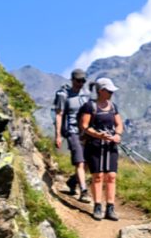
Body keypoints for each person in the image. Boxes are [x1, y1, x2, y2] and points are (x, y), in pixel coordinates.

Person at [79, 77, 124, 221]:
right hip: (95, 145)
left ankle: (110, 208)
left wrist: (117, 135)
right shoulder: (89, 106)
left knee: (111, 176)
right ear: (101, 91)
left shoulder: (113, 107)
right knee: (97, 176)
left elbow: (119, 124)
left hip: (110, 146)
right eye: (109, 90)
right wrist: (98, 135)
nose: (111, 93)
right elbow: (84, 126)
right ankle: (97, 206)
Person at [53, 69, 92, 202]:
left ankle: (72, 181)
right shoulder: (63, 95)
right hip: (72, 131)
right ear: (72, 80)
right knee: (80, 161)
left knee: (88, 162)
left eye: (83, 81)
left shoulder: (86, 95)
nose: (81, 83)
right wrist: (58, 135)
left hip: (86, 132)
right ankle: (84, 191)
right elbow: (59, 115)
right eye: (78, 80)